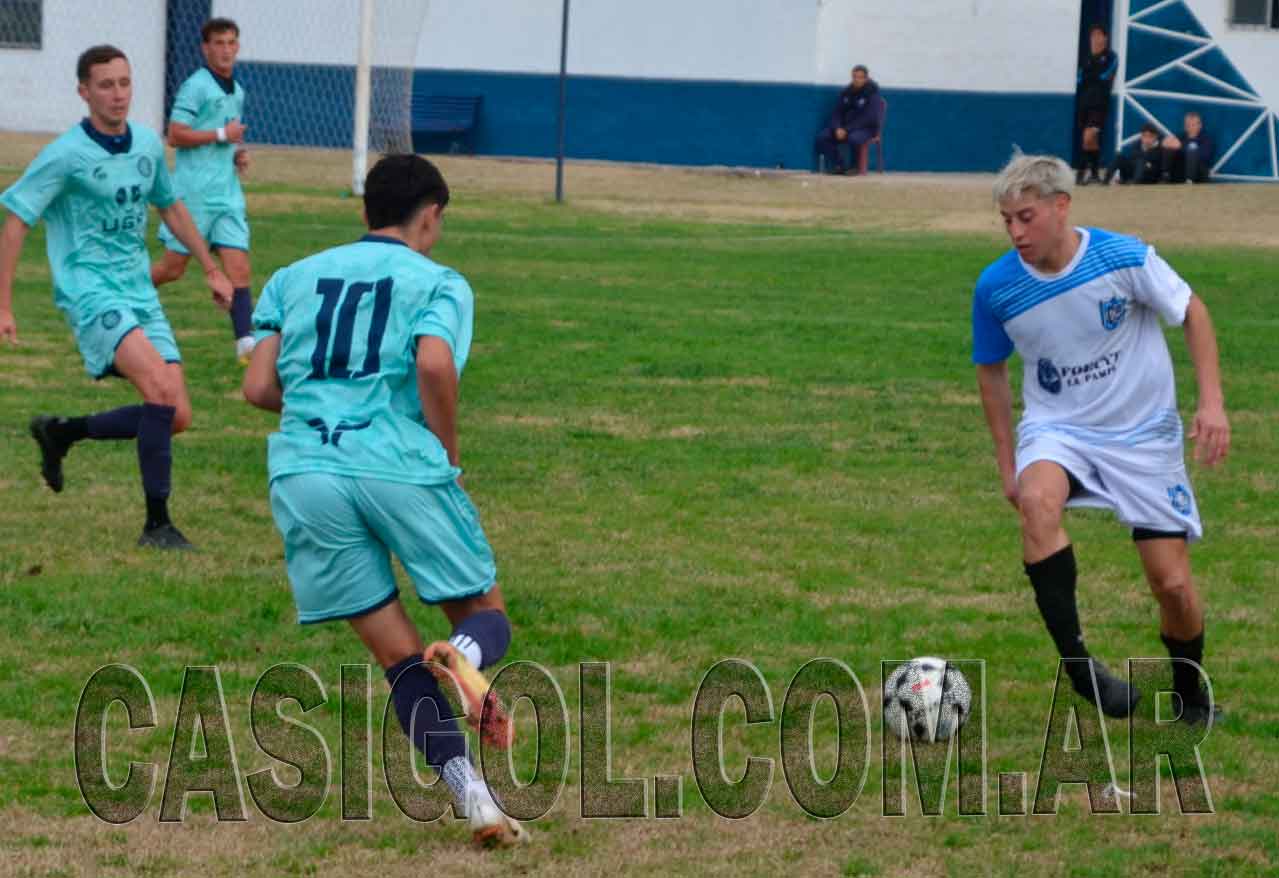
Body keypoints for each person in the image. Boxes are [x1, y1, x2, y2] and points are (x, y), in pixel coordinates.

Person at [242, 154, 528, 847]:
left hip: (306, 471)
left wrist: (318, 401)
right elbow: (432, 362)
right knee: (483, 613)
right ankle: (460, 654)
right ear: (429, 215)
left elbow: (257, 387)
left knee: (397, 658)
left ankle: (476, 802)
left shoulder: (294, 276)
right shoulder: (438, 281)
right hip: (395, 463)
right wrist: (448, 454)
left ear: (365, 209)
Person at [971, 153, 1229, 726]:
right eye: (1007, 219)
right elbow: (991, 370)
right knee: (1037, 504)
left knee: (1172, 583)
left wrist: (1211, 403)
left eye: (1026, 216)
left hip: (1143, 438)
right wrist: (1007, 462)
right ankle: (1081, 669)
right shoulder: (996, 288)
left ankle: (1191, 690)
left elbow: (1193, 311)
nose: (1016, 231)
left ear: (1061, 207)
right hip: (1058, 431)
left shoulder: (1122, 257)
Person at [0, 45, 233, 550]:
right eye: (105, 85)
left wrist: (211, 268)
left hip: (138, 290)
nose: (117, 94)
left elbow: (170, 209)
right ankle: (158, 525)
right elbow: (17, 220)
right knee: (157, 388)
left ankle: (63, 432)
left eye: (125, 83)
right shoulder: (65, 154)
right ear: (84, 91)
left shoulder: (148, 145)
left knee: (179, 415)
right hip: (90, 292)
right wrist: (4, 305)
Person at [151, 17, 256, 364]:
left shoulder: (237, 91)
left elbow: (225, 137)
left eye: (231, 43)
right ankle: (120, 294)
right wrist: (222, 136)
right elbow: (175, 134)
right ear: (205, 48)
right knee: (172, 269)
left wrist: (236, 153)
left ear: (237, 47)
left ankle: (246, 344)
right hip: (193, 195)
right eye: (218, 43)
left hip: (226, 195)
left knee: (239, 268)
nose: (226, 50)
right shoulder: (195, 86)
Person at [814, 65, 884, 176]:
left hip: (866, 129)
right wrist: (837, 128)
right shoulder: (847, 92)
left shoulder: (872, 94)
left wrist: (846, 129)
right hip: (845, 128)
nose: (857, 80)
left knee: (854, 138)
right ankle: (839, 165)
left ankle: (854, 167)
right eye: (854, 77)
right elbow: (837, 112)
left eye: (860, 77)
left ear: (866, 79)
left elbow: (868, 118)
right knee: (822, 137)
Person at [1075, 24, 1118, 185]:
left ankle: (1081, 171)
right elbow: (1080, 79)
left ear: (1105, 38)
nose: (1096, 39)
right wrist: (1091, 71)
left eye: (1099, 35)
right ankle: (1094, 174)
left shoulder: (1111, 57)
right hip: (1084, 103)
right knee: (1090, 141)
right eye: (1093, 36)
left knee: (1088, 137)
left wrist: (1090, 73)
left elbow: (1104, 76)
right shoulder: (1085, 57)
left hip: (1100, 104)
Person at [1162, 111, 1215, 183]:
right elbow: (1169, 145)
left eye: (1193, 124)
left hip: (1197, 173)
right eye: (1187, 124)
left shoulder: (1206, 139)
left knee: (1192, 152)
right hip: (1179, 172)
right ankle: (1165, 177)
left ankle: (1189, 181)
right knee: (1169, 148)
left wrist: (1181, 147)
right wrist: (1165, 143)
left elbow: (1204, 156)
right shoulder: (1180, 136)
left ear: (1200, 125)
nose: (1190, 127)